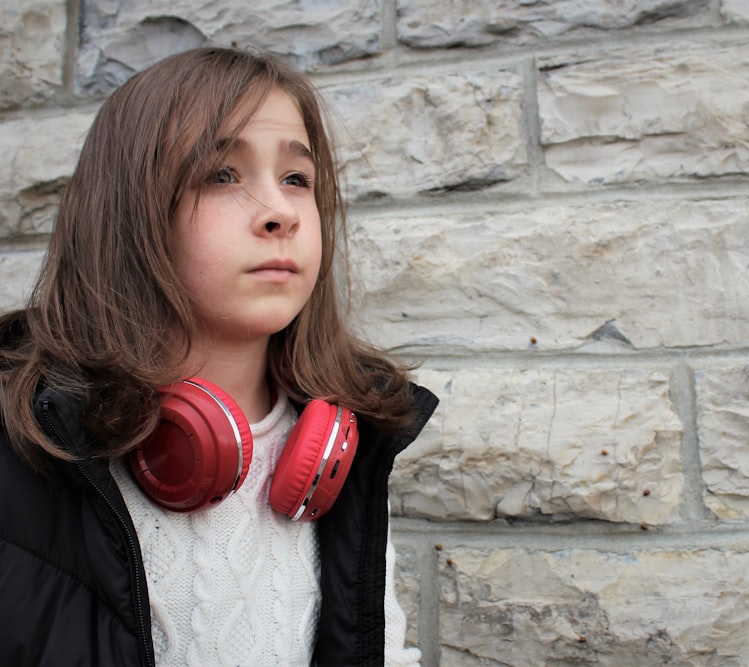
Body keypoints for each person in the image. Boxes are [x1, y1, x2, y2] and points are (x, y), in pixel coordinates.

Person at [0, 47, 437, 666]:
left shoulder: (347, 450)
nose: (280, 212)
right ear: (130, 209)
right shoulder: (23, 451)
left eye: (296, 179)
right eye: (222, 175)